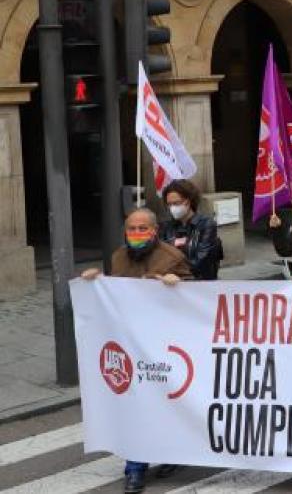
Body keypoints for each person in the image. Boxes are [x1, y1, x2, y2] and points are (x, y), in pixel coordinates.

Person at [81, 208, 191, 494]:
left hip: (163, 346)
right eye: (131, 228)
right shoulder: (118, 256)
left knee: (164, 404)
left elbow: (195, 300)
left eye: (143, 228)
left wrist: (178, 284)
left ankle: (171, 454)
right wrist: (96, 281)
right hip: (130, 346)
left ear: (154, 231)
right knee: (135, 405)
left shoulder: (173, 257)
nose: (136, 234)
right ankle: (135, 469)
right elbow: (113, 290)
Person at [157, 179, 222, 280]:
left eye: (176, 203)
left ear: (188, 202)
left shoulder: (206, 224)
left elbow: (201, 259)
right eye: (169, 204)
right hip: (171, 281)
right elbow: (162, 256)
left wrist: (179, 274)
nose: (172, 208)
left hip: (198, 282)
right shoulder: (166, 227)